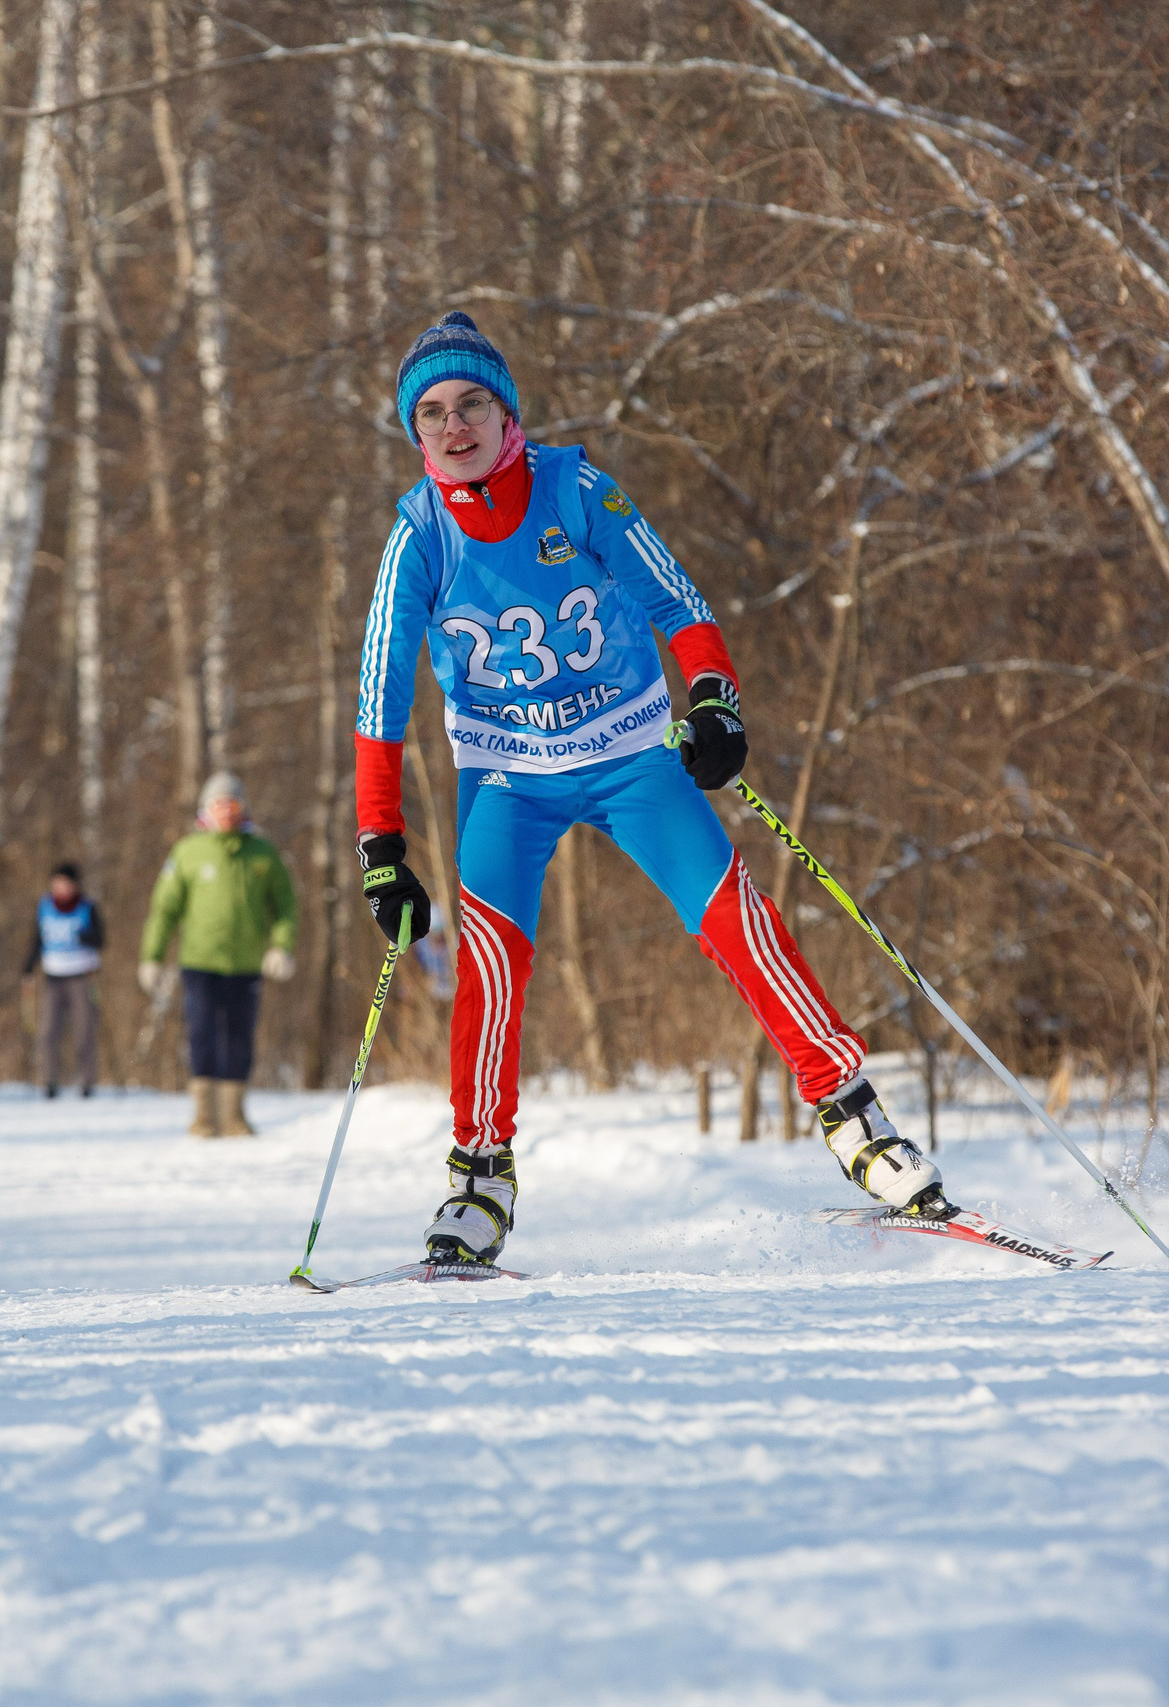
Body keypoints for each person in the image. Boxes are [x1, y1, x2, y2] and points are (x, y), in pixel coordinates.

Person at [353, 312, 946, 1267]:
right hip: (507, 775)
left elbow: (680, 601)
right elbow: (378, 700)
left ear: (509, 415)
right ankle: (479, 1173)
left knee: (737, 921)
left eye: (473, 404)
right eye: (432, 413)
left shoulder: (575, 488)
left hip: (629, 750)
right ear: (415, 434)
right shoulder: (416, 537)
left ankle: (855, 1118)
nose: (454, 426)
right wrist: (381, 847)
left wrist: (714, 702)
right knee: (492, 964)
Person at [139, 774, 298, 1137]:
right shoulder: (187, 852)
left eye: (233, 804)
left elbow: (286, 905)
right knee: (202, 1034)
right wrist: (152, 957)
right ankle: (204, 1117)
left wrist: (282, 947)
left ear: (243, 808)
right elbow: (164, 909)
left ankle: (234, 1116)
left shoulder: (262, 853)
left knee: (240, 1036)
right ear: (205, 810)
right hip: (199, 964)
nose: (226, 811)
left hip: (246, 965)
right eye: (219, 804)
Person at [24, 860, 104, 1098]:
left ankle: (87, 1083)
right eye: (56, 882)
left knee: (84, 1030)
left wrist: (86, 938)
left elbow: (100, 940)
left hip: (81, 976)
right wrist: (28, 967)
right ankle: (49, 1081)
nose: (60, 887)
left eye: (65, 883)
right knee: (48, 1031)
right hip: (53, 976)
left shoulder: (87, 907)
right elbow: (37, 939)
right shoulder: (45, 906)